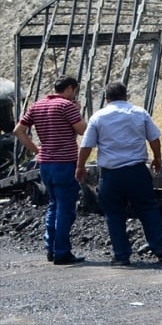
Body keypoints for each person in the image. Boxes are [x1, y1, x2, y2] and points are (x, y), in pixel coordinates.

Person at [75, 80, 162, 266]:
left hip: (112, 175)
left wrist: (80, 166)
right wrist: (157, 158)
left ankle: (122, 255)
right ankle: (160, 250)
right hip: (137, 171)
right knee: (148, 209)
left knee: (114, 213)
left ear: (106, 98)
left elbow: (86, 146)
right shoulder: (139, 112)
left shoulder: (98, 117)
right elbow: (154, 138)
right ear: (126, 96)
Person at [12, 75, 88, 264]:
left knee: (54, 205)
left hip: (45, 163)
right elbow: (82, 130)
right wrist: (78, 111)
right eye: (74, 91)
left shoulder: (37, 105)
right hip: (65, 163)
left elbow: (18, 130)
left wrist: (37, 150)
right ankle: (62, 251)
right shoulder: (67, 106)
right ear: (70, 89)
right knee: (66, 208)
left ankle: (51, 248)